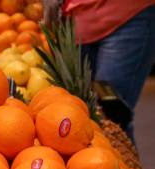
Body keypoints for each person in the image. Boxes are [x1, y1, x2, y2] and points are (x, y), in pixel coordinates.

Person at [44, 0, 155, 140]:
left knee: (112, 116)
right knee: (83, 115)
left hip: (126, 18)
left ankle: (116, 161)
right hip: (76, 21)